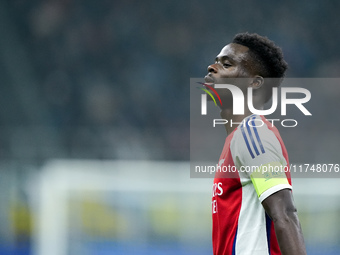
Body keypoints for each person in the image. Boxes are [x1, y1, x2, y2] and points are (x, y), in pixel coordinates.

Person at [205, 33, 307, 255]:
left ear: (255, 82)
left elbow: (286, 215)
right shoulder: (238, 138)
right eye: (215, 61)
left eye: (227, 64)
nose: (212, 67)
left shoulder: (253, 134)